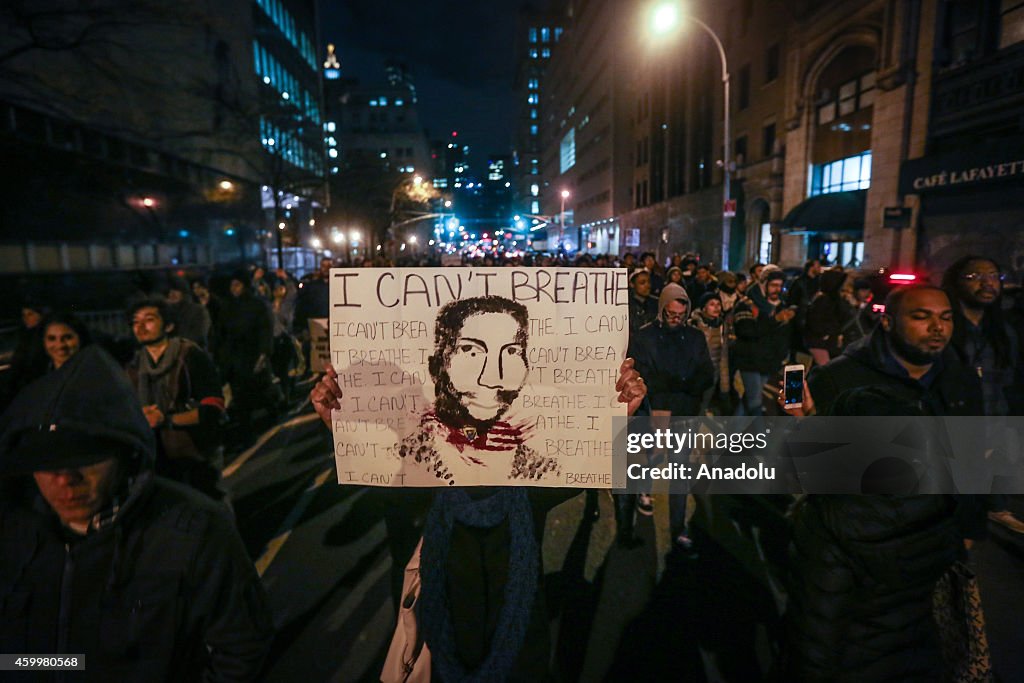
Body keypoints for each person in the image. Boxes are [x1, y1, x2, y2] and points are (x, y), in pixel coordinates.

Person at [311, 357, 647, 683]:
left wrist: (618, 415)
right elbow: (381, 466)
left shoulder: (526, 479)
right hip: (442, 646)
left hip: (519, 650)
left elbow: (577, 467)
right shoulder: (419, 481)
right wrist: (341, 425)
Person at [0, 346, 274, 679]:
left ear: (125, 452)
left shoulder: (195, 531)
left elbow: (242, 647)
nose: (65, 480)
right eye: (46, 463)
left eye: (86, 458)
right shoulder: (15, 529)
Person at [396, 296, 560, 485]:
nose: (492, 379)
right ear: (436, 367)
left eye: (511, 352)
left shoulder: (534, 465)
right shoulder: (407, 454)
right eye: (470, 350)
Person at [942, 256, 1024, 534]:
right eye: (975, 276)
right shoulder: (944, 326)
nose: (987, 283)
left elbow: (1008, 379)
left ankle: (995, 507)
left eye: (993, 277)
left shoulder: (1003, 331)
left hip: (992, 419)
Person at [629, 283, 714, 539]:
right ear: (661, 309)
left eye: (680, 315)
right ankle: (643, 492)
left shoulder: (695, 337)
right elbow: (644, 376)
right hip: (655, 410)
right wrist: (680, 383)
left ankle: (678, 528)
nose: (676, 319)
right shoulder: (645, 337)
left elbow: (706, 375)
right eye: (671, 314)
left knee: (680, 471)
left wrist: (679, 385)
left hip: (684, 414)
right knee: (650, 460)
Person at [125, 299, 226, 499]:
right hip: (157, 455)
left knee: (209, 502)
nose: (141, 327)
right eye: (135, 322)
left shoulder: (189, 355)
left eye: (149, 320)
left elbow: (214, 407)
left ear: (169, 325)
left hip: (194, 450)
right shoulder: (134, 365)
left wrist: (166, 420)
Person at [216, 272, 275, 448]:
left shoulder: (256, 305)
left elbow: (265, 329)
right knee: (240, 397)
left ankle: (271, 410)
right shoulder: (227, 307)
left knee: (257, 391)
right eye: (232, 286)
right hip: (234, 358)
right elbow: (220, 332)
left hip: (252, 354)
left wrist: (263, 353)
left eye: (237, 285)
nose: (234, 289)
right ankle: (246, 432)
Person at [733, 268, 793, 416]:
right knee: (755, 403)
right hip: (750, 361)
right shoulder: (747, 304)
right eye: (773, 285)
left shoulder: (781, 305)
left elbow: (783, 335)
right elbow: (747, 331)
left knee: (749, 401)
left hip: (769, 361)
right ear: (763, 284)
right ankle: (761, 438)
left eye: (780, 286)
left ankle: (730, 436)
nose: (777, 290)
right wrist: (775, 320)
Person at [690, 292, 731, 415]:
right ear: (703, 308)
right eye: (712, 304)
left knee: (702, 408)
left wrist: (725, 385)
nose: (716, 307)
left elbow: (723, 356)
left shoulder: (722, 326)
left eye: (718, 304)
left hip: (712, 375)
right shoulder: (693, 325)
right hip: (694, 376)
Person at [804, 268, 851, 366]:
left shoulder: (833, 300)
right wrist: (828, 333)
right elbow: (816, 322)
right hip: (819, 343)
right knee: (825, 370)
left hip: (826, 343)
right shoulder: (823, 300)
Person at [786, 259, 822, 354]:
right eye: (818, 266)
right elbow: (792, 301)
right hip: (801, 320)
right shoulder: (799, 282)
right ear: (811, 267)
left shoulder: (819, 282)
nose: (820, 269)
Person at [166, 275, 212, 349]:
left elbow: (200, 335)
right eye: (170, 291)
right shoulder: (167, 312)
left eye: (176, 291)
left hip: (192, 354)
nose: (172, 294)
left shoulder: (199, 311)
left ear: (184, 293)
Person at [839, 277, 879, 347]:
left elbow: (872, 321)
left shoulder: (868, 306)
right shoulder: (846, 304)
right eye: (863, 291)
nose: (866, 294)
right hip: (848, 339)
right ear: (856, 291)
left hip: (862, 340)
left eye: (868, 291)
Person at [628, 269, 659, 336]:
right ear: (632, 284)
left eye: (649, 282)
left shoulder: (657, 303)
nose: (647, 286)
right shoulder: (626, 305)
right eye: (642, 283)